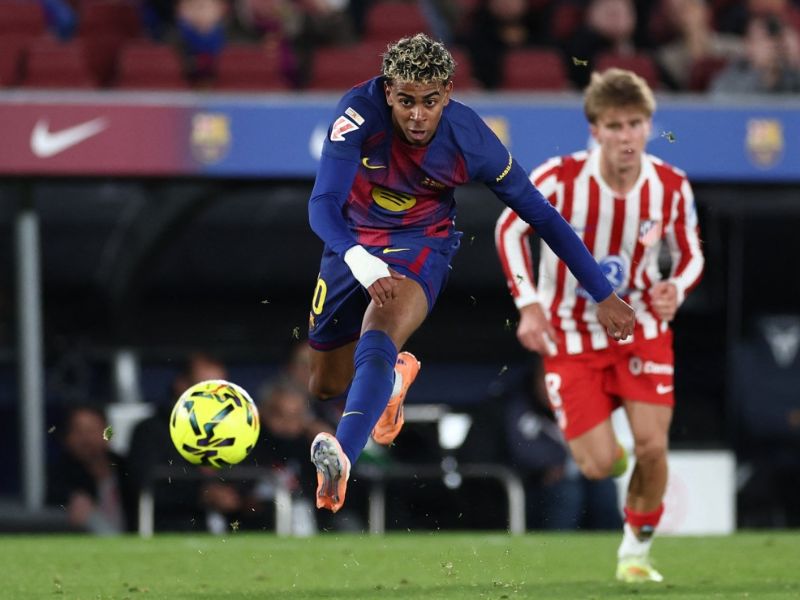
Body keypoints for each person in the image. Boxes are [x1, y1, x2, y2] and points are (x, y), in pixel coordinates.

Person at [305, 33, 635, 515]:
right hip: (351, 241)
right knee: (326, 384)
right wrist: (356, 256)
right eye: (406, 101)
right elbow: (322, 205)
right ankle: (393, 383)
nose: (418, 114)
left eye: (430, 101)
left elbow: (541, 215)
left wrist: (602, 292)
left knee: (379, 332)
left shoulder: (471, 139)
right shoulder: (357, 113)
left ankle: (343, 457)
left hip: (420, 244)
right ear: (388, 91)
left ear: (448, 93)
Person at [495, 67, 705, 582]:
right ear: (595, 129)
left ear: (649, 126)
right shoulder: (559, 179)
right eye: (614, 126)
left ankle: (635, 551)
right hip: (571, 336)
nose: (625, 136)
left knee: (654, 447)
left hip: (642, 330)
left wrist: (674, 287)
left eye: (634, 124)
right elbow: (507, 230)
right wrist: (528, 302)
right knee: (595, 464)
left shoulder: (670, 186)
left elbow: (691, 253)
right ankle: (609, 462)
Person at [460, 357, 622, 531]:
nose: (556, 389)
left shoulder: (582, 411)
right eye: (549, 380)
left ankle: (613, 551)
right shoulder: (504, 409)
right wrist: (539, 473)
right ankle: (555, 553)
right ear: (536, 378)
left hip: (576, 486)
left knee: (603, 486)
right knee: (566, 492)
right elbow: (477, 461)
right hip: (519, 493)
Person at [47, 405, 137, 534]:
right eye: (78, 431)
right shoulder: (60, 476)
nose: (86, 439)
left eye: (92, 430)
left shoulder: (128, 469)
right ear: (66, 438)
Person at [709, 13, 800, 95]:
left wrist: (795, 60)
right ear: (748, 44)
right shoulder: (736, 71)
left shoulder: (790, 72)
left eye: (772, 39)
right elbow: (717, 99)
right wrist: (761, 74)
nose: (769, 46)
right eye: (761, 40)